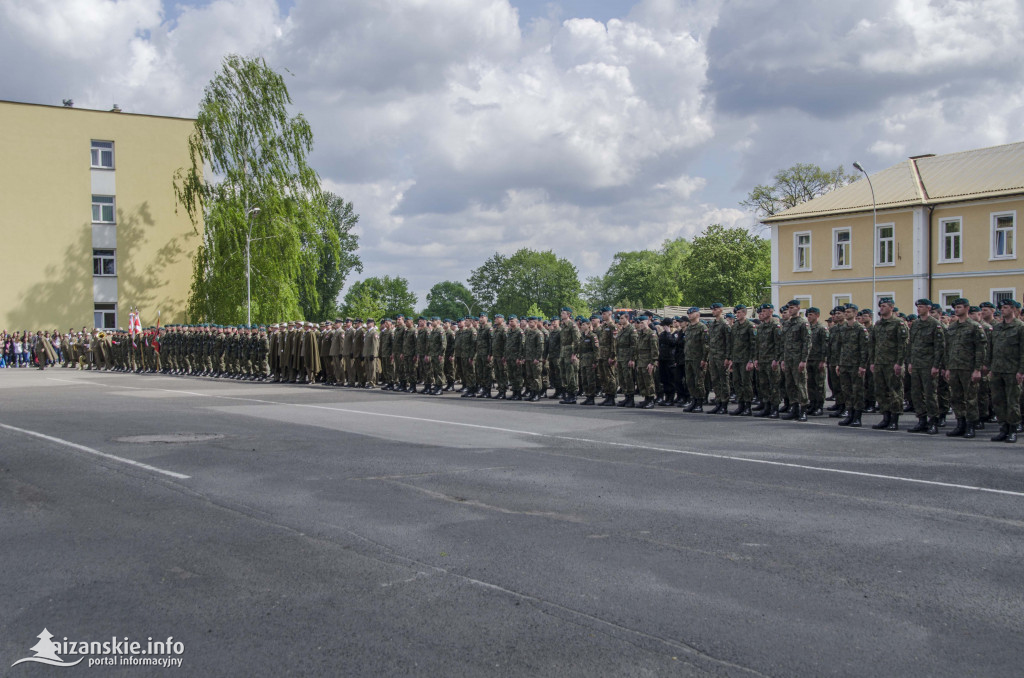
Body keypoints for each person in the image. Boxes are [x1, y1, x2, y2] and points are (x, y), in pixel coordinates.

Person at [944, 298, 986, 439]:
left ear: (967, 308)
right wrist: (948, 367)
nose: (956, 310)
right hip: (955, 367)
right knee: (956, 397)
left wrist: (977, 369)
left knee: (971, 398)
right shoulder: (952, 327)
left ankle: (970, 426)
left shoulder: (974, 326)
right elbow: (949, 349)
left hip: (968, 368)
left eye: (959, 307)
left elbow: (980, 350)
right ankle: (960, 423)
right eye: (955, 307)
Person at [988, 298, 1024, 443]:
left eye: (1007, 308)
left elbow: (1023, 351)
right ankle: (1003, 428)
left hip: (1012, 370)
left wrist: (1021, 370)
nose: (1003, 310)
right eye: (1002, 308)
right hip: (997, 369)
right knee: (998, 400)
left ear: (1014, 310)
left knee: (1012, 401)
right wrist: (989, 367)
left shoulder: (1020, 327)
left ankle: (1013, 429)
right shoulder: (997, 327)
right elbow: (991, 349)